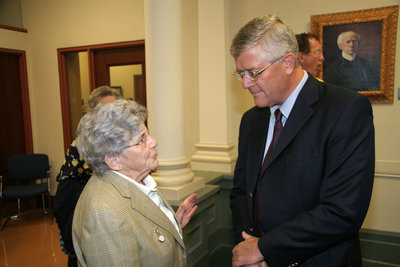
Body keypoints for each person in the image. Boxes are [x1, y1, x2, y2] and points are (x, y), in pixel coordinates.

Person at [230, 15, 375, 267]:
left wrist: (264, 249)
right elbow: (241, 192)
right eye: (240, 73)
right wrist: (248, 247)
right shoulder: (251, 120)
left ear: (288, 62)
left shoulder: (346, 109)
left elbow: (342, 211)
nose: (245, 84)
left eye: (253, 72)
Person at [72, 99, 198, 267]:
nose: (154, 142)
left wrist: (170, 225)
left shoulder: (136, 180)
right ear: (114, 160)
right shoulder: (104, 213)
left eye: (147, 134)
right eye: (141, 140)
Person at [53, 85, 121, 267]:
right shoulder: (87, 141)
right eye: (103, 110)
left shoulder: (119, 138)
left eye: (114, 109)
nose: (109, 115)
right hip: (77, 202)